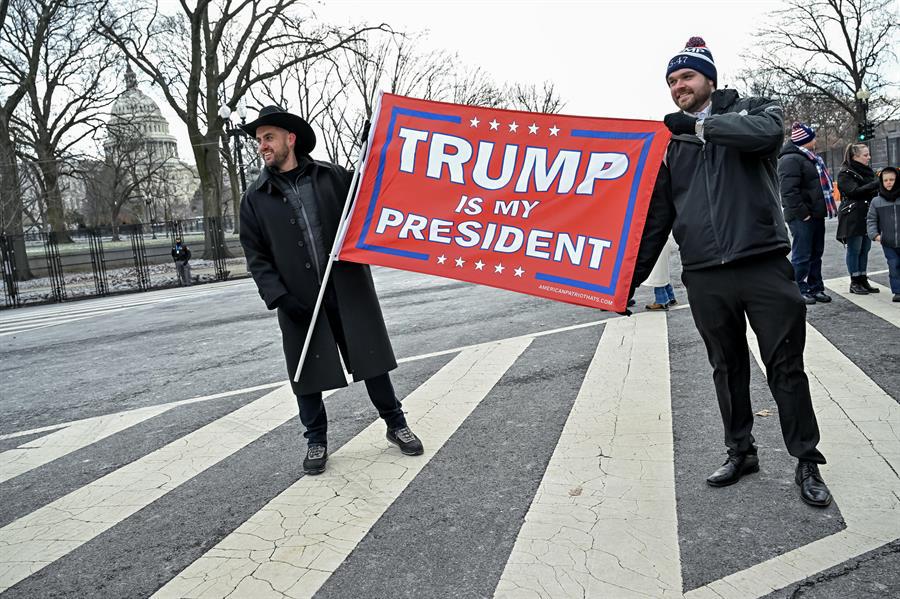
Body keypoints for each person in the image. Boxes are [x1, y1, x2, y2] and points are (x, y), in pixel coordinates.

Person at [631, 36, 831, 507]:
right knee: (727, 367)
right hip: (704, 273)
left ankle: (805, 459)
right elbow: (658, 217)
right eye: (672, 81)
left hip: (762, 262)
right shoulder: (670, 143)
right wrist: (628, 281)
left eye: (687, 77)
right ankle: (741, 450)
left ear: (710, 80)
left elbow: (766, 136)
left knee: (785, 366)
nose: (679, 87)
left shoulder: (752, 109)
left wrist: (702, 129)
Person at [238, 105, 423, 475]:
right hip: (297, 299)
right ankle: (316, 439)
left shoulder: (333, 177)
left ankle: (395, 423)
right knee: (306, 370)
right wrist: (280, 298)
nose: (262, 146)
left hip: (346, 288)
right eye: (259, 140)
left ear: (290, 138)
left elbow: (373, 190)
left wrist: (376, 143)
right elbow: (256, 256)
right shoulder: (255, 198)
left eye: (268, 137)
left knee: (372, 360)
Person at [777, 122, 837, 304]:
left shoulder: (810, 158)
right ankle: (799, 289)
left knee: (816, 253)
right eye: (813, 137)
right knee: (802, 254)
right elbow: (788, 191)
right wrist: (803, 213)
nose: (816, 140)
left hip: (816, 213)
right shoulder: (790, 160)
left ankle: (816, 287)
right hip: (802, 216)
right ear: (806, 140)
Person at [837, 143, 880, 294]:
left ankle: (863, 279)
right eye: (865, 155)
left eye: (868, 154)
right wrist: (875, 184)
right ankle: (854, 281)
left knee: (865, 248)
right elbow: (853, 191)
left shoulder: (868, 171)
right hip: (853, 215)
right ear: (855, 156)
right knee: (855, 249)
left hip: (867, 214)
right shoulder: (845, 173)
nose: (869, 157)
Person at [867, 166, 900, 301]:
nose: (889, 183)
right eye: (885, 180)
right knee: (894, 265)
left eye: (892, 179)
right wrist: (875, 235)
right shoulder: (876, 201)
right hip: (888, 242)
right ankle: (898, 291)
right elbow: (871, 220)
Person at [643, 236, 678, 311]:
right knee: (662, 271)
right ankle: (670, 297)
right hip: (664, 240)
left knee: (657, 272)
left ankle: (661, 301)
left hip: (657, 241)